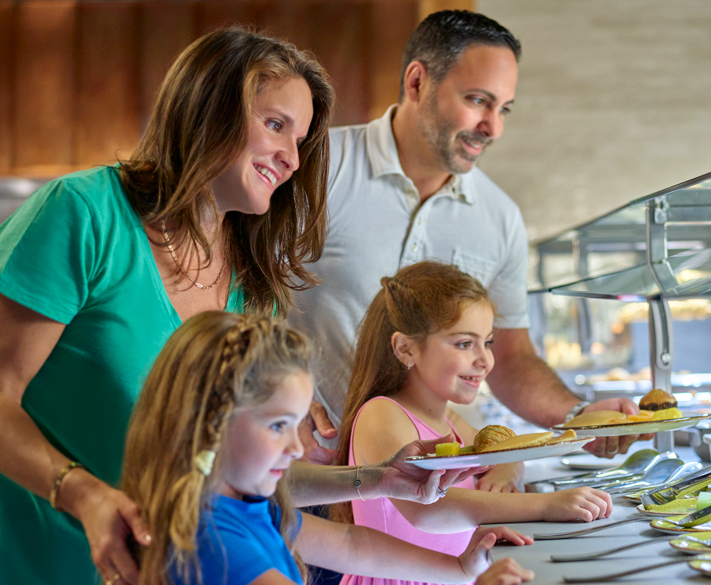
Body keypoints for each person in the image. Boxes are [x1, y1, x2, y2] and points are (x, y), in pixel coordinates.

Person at [0, 27, 472, 585]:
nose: (292, 159)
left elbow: (245, 475)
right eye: (275, 125)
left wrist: (374, 479)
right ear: (206, 109)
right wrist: (83, 496)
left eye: (300, 140)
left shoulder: (253, 289)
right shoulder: (84, 215)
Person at [291, 10, 648, 464]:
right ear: (417, 82)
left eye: (504, 109)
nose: (493, 127)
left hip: (438, 481)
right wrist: (274, 388)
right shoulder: (318, 169)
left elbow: (512, 357)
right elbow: (237, 298)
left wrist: (578, 415)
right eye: (479, 101)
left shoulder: (500, 217)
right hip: (308, 468)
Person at [122, 311, 533, 585]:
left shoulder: (247, 506)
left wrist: (460, 569)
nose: (294, 447)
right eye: (278, 425)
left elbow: (354, 546)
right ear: (209, 421)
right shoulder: (216, 541)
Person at [334, 261, 612, 585]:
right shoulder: (382, 414)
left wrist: (505, 469)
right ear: (405, 348)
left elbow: (504, 451)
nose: (485, 360)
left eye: (488, 342)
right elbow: (427, 509)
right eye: (465, 344)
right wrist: (544, 504)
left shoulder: (445, 417)